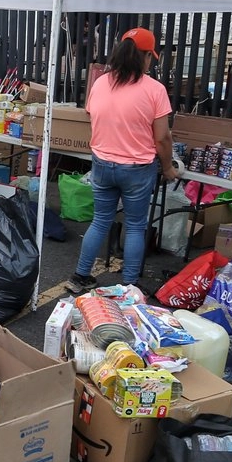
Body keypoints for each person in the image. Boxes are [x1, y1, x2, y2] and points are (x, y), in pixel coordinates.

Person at [65, 27, 179, 294]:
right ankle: (128, 285)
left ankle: (80, 276)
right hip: (137, 168)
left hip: (102, 163)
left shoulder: (101, 83)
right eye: (150, 56)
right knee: (136, 225)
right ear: (145, 57)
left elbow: (91, 115)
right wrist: (168, 167)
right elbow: (162, 138)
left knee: (101, 220)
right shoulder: (155, 89)